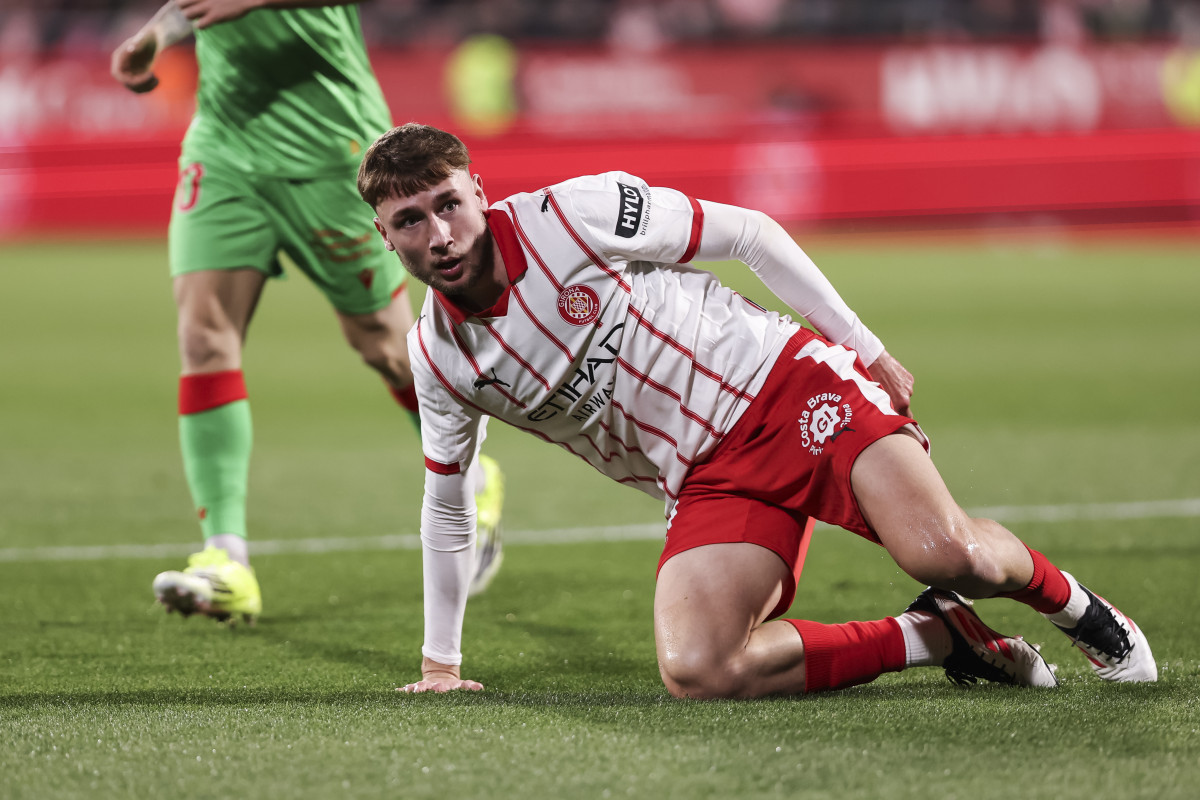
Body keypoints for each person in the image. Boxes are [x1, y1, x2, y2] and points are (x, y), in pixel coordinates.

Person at [358, 122, 1157, 697]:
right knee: (699, 669)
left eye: (448, 204)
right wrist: (441, 665)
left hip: (788, 385)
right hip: (707, 481)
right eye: (410, 221)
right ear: (384, 236)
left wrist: (864, 345)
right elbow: (448, 504)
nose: (440, 234)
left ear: (478, 192)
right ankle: (938, 635)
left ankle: (1084, 612)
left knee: (948, 554)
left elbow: (749, 234)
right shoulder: (440, 360)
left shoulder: (575, 215)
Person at [109, 2, 504, 624]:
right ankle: (226, 558)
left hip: (331, 150)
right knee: (203, 338)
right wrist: (158, 34)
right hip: (226, 147)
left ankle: (473, 478)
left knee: (383, 344)